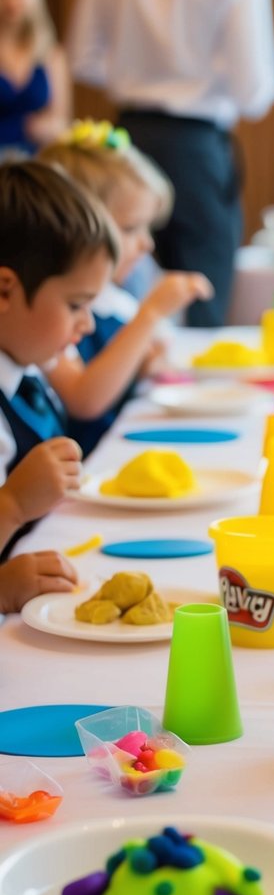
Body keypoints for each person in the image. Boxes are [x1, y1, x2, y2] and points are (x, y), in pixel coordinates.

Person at [68, 0, 274, 326]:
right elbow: (255, 93)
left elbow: (83, 58)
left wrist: (139, 71)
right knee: (203, 292)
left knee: (117, 287)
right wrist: (198, 78)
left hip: (126, 141)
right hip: (198, 148)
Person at [40, 121, 213, 454]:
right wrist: (150, 314)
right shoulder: (55, 311)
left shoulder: (114, 302)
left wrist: (143, 359)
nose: (146, 244)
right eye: (131, 228)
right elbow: (84, 398)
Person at [0, 160, 118, 586]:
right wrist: (11, 504)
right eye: (75, 305)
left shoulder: (29, 368)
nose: (87, 324)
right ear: (5, 291)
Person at [0, 0, 71, 157]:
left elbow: (62, 122)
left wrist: (46, 128)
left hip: (38, 162)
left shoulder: (51, 54)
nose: (12, 1)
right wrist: (24, 126)